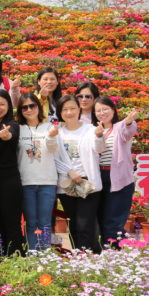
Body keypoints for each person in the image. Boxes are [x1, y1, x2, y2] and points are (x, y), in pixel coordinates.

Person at [52, 94, 104, 253]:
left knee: (85, 225)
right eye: (65, 109)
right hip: (67, 185)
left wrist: (99, 136)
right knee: (73, 224)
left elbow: (99, 149)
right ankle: (77, 256)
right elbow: (54, 158)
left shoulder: (90, 130)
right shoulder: (58, 133)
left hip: (88, 184)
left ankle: (86, 257)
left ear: (79, 109)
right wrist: (69, 172)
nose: (69, 112)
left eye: (72, 108)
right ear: (60, 112)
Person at [93, 96, 139, 249]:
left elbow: (128, 131)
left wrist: (129, 121)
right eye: (98, 110)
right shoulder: (94, 130)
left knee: (113, 222)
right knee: (101, 220)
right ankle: (109, 252)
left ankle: (115, 253)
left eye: (105, 109)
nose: (102, 113)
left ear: (113, 110)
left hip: (119, 179)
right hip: (99, 178)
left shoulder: (120, 126)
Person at [15, 92, 59, 251]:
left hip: (47, 182)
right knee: (31, 223)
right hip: (26, 182)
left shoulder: (49, 127)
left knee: (45, 223)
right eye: (24, 107)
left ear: (38, 107)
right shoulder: (18, 129)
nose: (29, 110)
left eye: (32, 106)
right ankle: (33, 256)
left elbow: (53, 150)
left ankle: (45, 257)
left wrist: (52, 137)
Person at [0, 89, 24, 258]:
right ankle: (0, 260)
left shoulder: (12, 124)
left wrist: (6, 135)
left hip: (9, 180)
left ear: (8, 106)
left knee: (12, 224)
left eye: (2, 104)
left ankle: (16, 261)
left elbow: (11, 135)